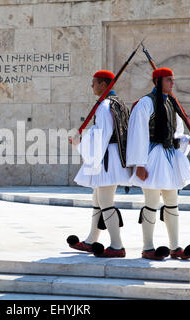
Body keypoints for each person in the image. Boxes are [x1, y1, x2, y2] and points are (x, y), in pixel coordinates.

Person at [126, 67, 190, 260]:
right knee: (151, 203)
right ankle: (148, 247)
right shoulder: (145, 103)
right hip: (151, 157)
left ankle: (175, 247)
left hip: (169, 157)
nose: (172, 83)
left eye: (173, 79)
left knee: (172, 203)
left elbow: (174, 136)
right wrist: (139, 164)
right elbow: (137, 135)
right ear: (158, 81)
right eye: (169, 79)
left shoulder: (171, 104)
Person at [67, 70, 132, 258]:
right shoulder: (118, 103)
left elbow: (100, 134)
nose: (92, 86)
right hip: (113, 156)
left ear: (103, 85)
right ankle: (90, 240)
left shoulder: (105, 106)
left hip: (106, 158)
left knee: (105, 202)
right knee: (98, 199)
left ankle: (117, 245)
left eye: (94, 83)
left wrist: (79, 142)